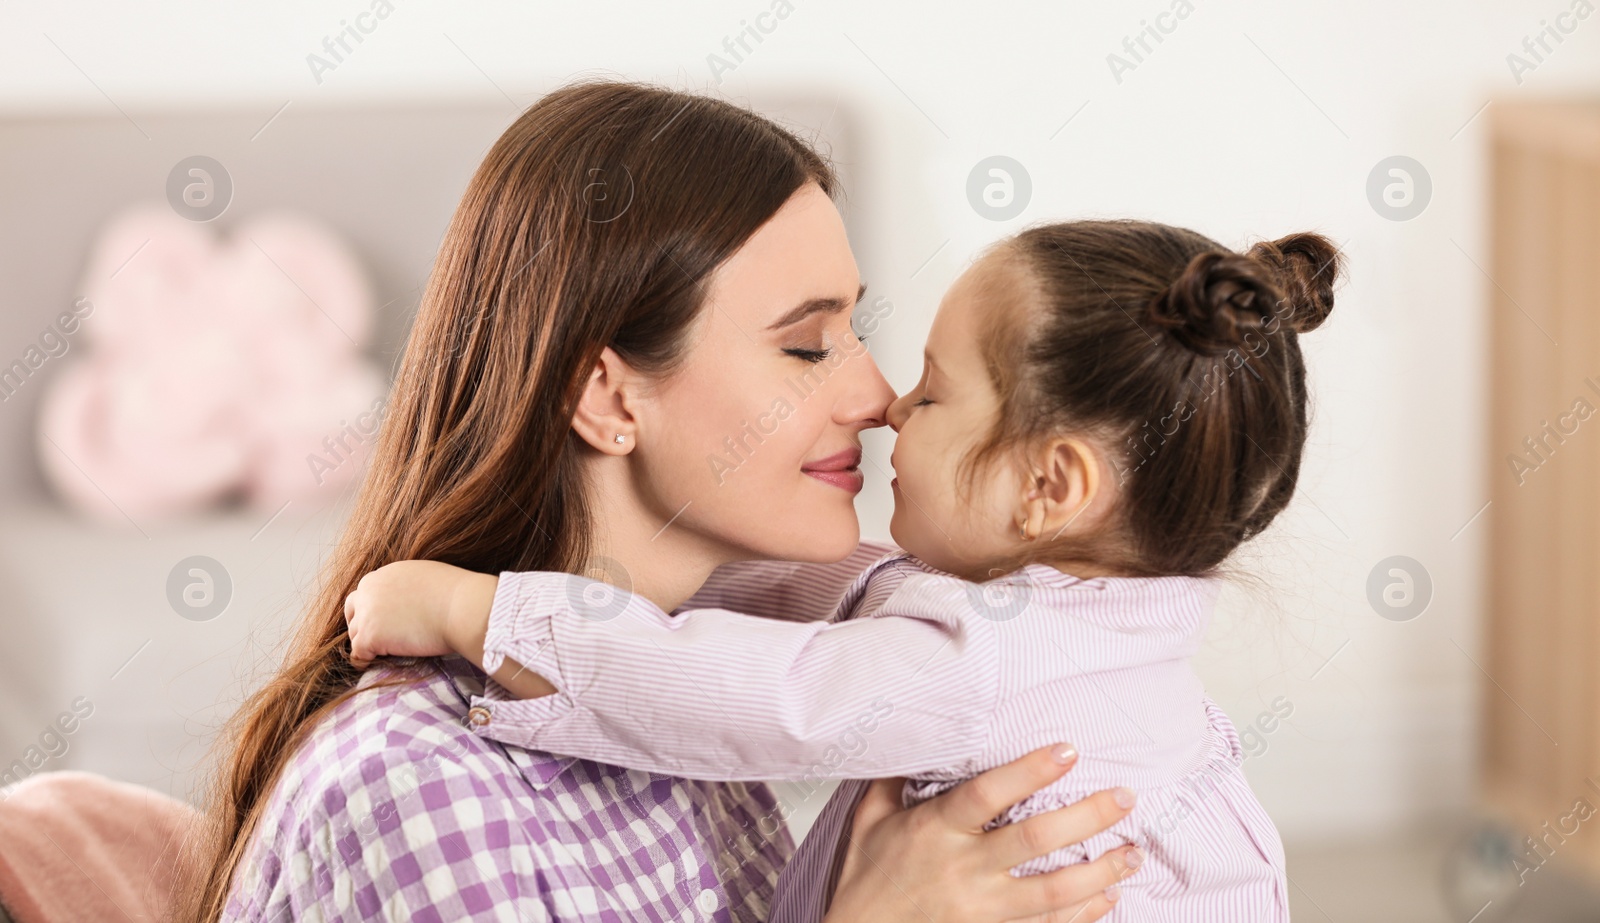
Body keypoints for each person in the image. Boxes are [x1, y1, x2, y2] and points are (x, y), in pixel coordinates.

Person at [179, 81, 1135, 922]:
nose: (879, 398)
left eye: (857, 331)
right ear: (608, 395)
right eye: (807, 346)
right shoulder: (418, 792)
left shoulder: (682, 694)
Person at [345, 219, 1343, 921]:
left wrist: (482, 611)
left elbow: (751, 690)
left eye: (935, 393)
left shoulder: (983, 666)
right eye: (810, 345)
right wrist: (651, 569)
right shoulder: (1086, 635)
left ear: (1049, 482)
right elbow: (846, 593)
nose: (888, 406)